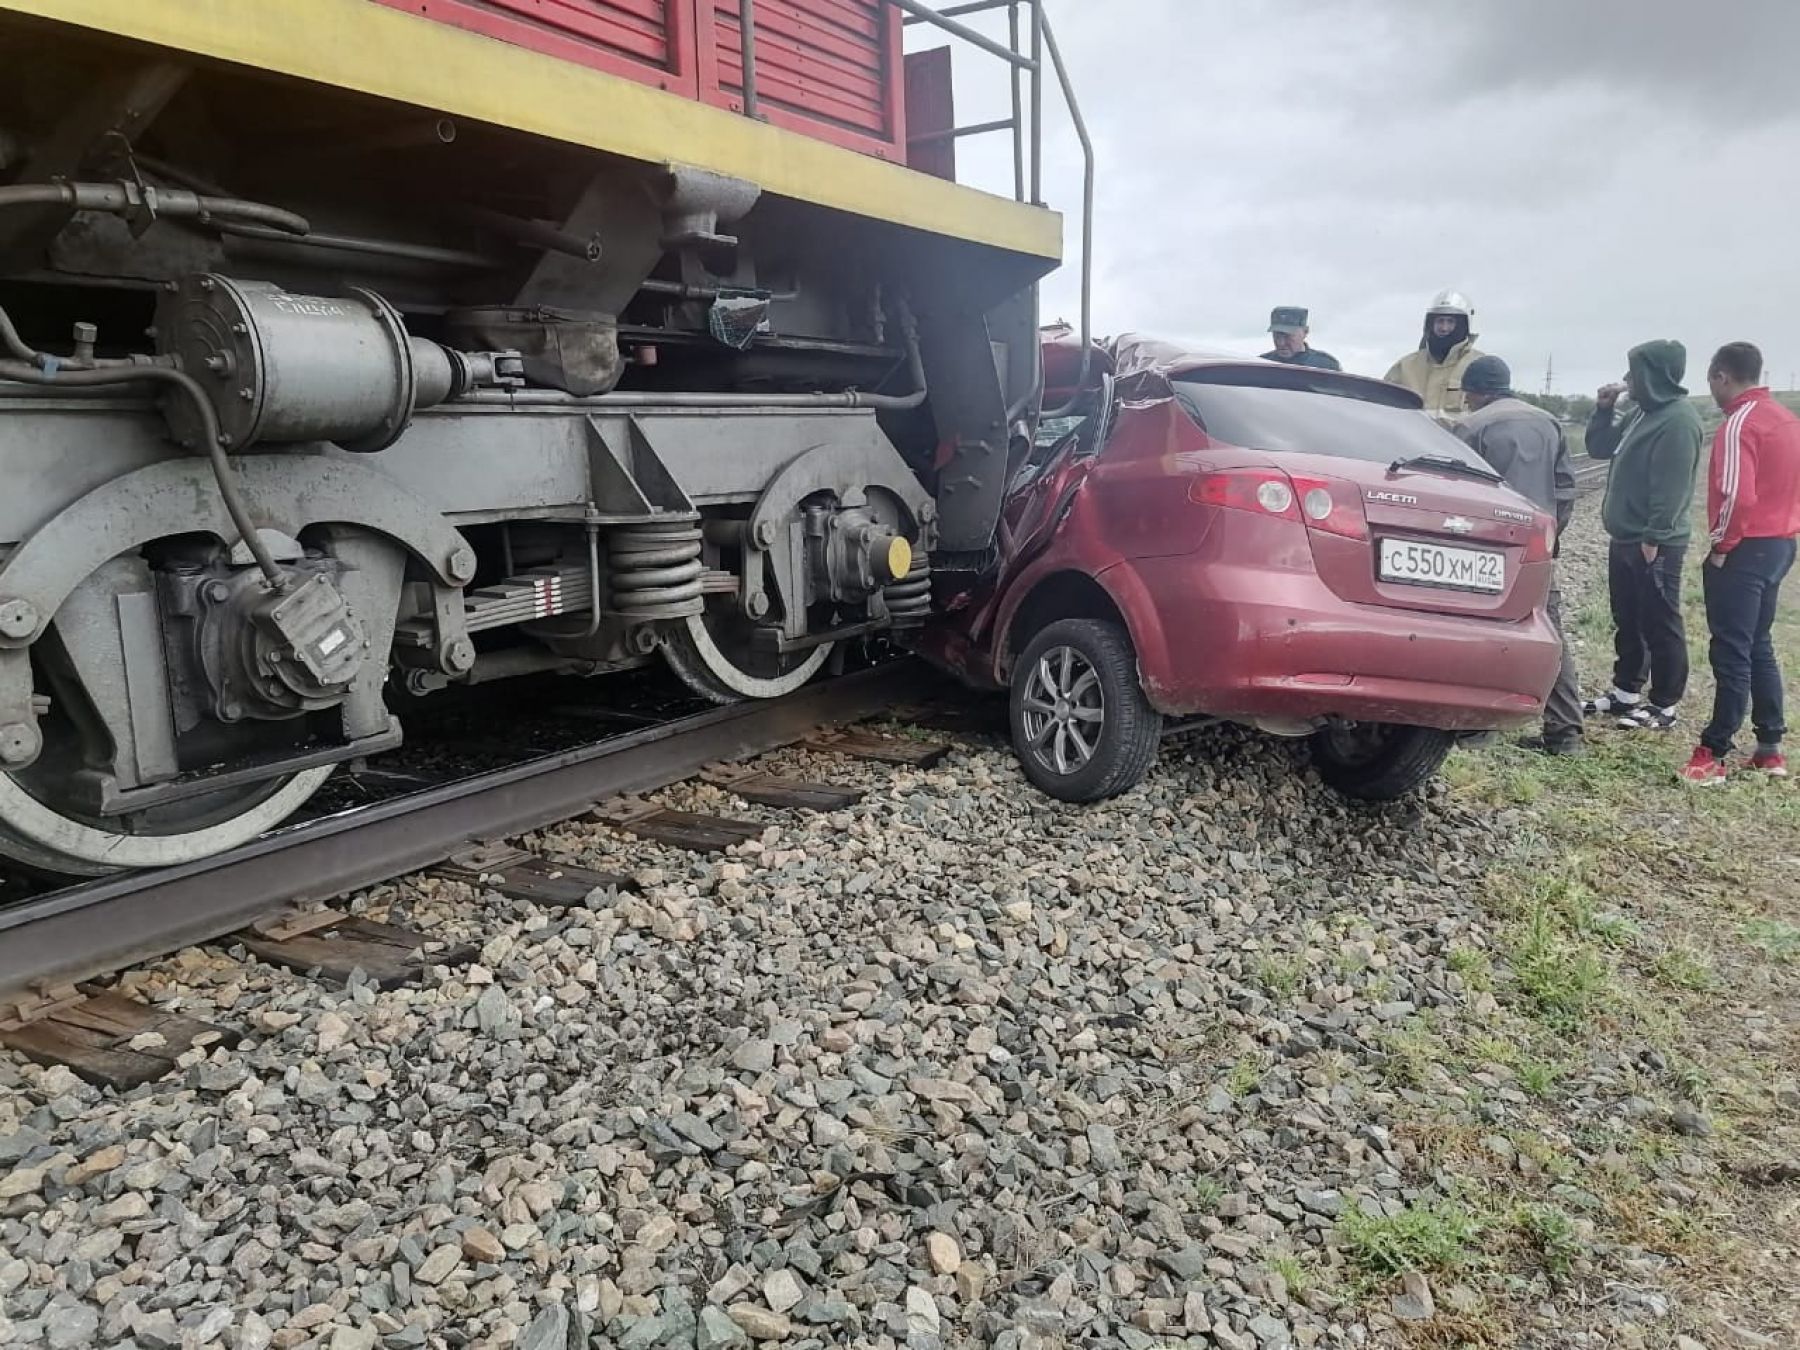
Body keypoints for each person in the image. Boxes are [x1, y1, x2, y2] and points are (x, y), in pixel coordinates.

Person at [1678, 342, 1800, 785]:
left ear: (1720, 376)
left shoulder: (1738, 424)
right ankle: (1769, 747)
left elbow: (1736, 494)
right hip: (1782, 544)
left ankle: (1714, 750)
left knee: (1730, 649)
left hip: (1746, 548)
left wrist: (1722, 545)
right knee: (1758, 643)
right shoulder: (1787, 420)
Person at [1454, 355, 1582, 754]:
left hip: (1485, 546)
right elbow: (1565, 488)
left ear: (1475, 391)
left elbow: (1456, 487)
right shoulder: (1548, 422)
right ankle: (1566, 734)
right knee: (1549, 631)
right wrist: (1548, 537)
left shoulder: (1472, 426)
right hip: (1534, 547)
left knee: (1482, 633)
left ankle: (1482, 725)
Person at [1582, 339, 1705, 731]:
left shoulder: (1678, 420)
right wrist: (1603, 410)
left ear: (1653, 375)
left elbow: (1671, 489)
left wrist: (1654, 538)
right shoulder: (1641, 412)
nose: (1625, 379)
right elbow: (1600, 447)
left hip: (1655, 542)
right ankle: (1625, 692)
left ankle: (1664, 704)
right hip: (1626, 537)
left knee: (1660, 620)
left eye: (1633, 372)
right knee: (1629, 617)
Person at [1384, 289, 1483, 420]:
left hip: (1458, 440)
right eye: (1440, 321)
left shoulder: (1480, 366)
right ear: (1430, 324)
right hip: (1411, 439)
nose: (1444, 328)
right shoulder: (1404, 367)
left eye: (1450, 322)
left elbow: (1492, 414)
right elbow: (1382, 410)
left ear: (1463, 325)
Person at [1261, 306, 1341, 370]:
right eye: (1277, 335)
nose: (1281, 343)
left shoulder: (1326, 366)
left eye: (1288, 336)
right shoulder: (1260, 365)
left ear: (1305, 332)